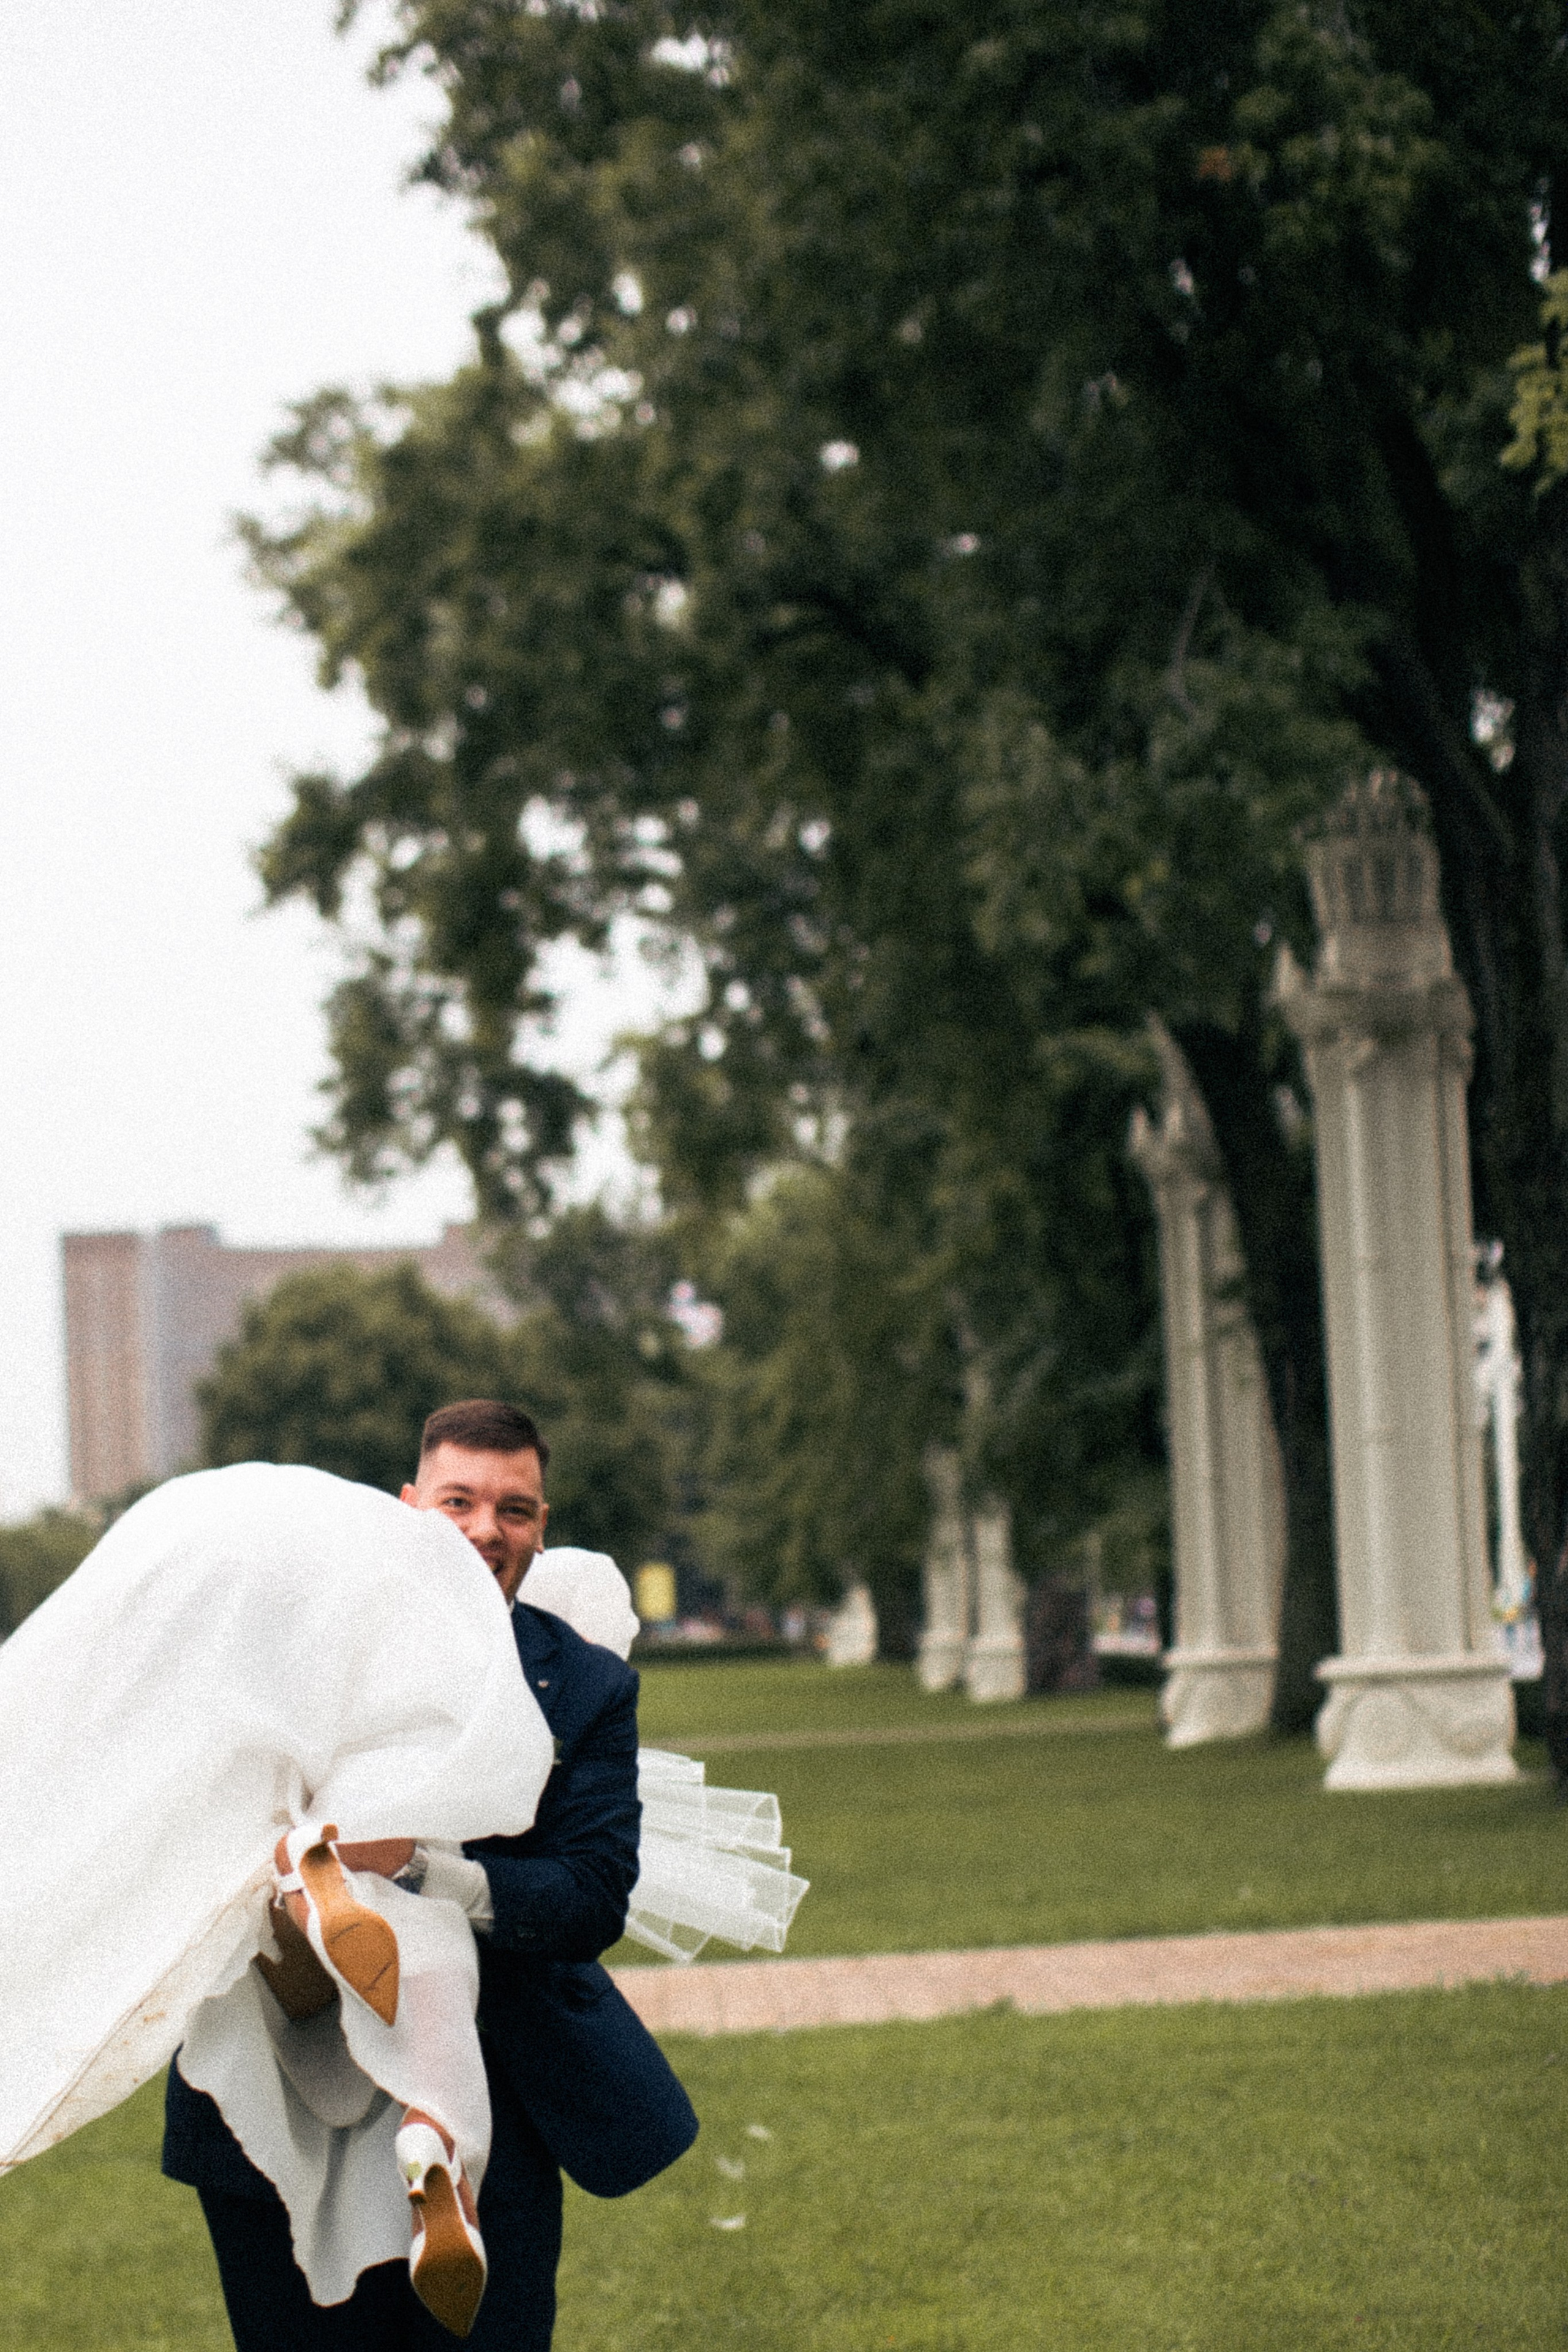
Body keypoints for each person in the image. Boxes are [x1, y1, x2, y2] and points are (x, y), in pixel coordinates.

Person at [162, 1399, 699, 2351]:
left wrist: (416, 1869)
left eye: (516, 1509)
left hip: (497, 2088)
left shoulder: (584, 1686)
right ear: (409, 1505)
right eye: (459, 1500)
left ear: (542, 1526)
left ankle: (436, 2144)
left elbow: (589, 1899)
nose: (486, 1529)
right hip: (275, 2099)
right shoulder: (297, 1651)